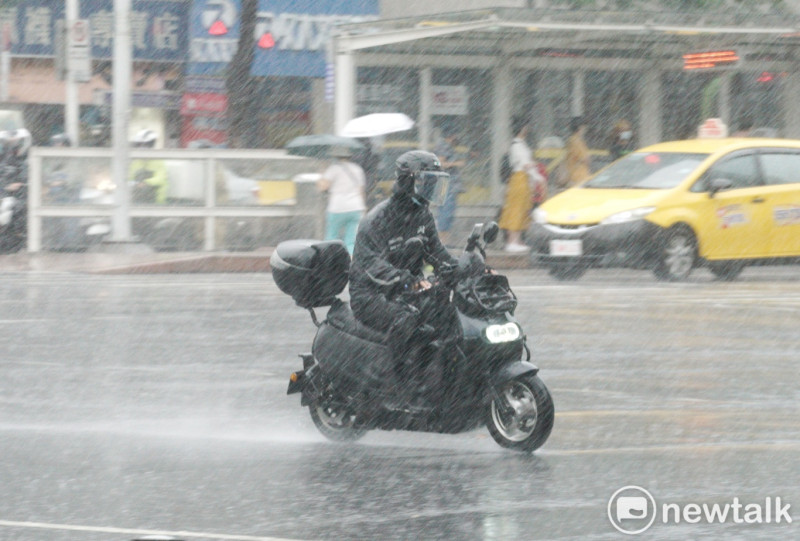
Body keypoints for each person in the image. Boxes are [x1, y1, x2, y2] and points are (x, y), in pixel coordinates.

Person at [349, 150, 458, 409]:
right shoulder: (378, 219)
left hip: (407, 291)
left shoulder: (422, 216)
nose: (432, 189)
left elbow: (437, 253)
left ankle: (436, 381)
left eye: (435, 183)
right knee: (405, 320)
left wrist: (466, 269)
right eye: (427, 183)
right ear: (410, 182)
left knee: (446, 313)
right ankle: (396, 388)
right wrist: (407, 280)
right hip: (371, 295)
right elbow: (373, 267)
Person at [497, 117, 543, 253]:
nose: (527, 129)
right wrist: (537, 173)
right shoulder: (517, 146)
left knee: (521, 209)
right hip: (519, 180)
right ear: (522, 128)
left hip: (522, 180)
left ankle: (516, 241)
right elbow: (526, 164)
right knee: (516, 210)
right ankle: (512, 241)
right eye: (526, 127)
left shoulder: (520, 144)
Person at [317, 146, 367, 254]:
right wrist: (363, 209)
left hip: (337, 208)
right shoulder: (357, 169)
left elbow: (322, 187)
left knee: (331, 238)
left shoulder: (333, 169)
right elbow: (361, 191)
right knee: (351, 241)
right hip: (356, 208)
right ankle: (350, 264)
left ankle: (329, 263)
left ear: (335, 156)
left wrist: (322, 174)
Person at [433, 126, 466, 246]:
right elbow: (441, 164)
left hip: (447, 185)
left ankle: (444, 240)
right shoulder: (443, 146)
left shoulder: (445, 146)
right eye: (456, 135)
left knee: (446, 212)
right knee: (446, 213)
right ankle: (442, 241)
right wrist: (457, 163)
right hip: (447, 185)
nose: (458, 137)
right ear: (451, 135)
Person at [129, 129, 168, 204]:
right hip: (136, 202)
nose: (141, 147)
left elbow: (161, 179)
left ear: (151, 145)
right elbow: (129, 177)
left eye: (144, 144)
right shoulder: (135, 162)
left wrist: (145, 183)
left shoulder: (158, 160)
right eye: (138, 145)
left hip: (156, 202)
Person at [564, 116, 591, 187]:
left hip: (575, 177)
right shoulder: (577, 141)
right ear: (580, 127)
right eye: (584, 127)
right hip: (579, 178)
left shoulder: (572, 140)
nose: (585, 129)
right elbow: (585, 159)